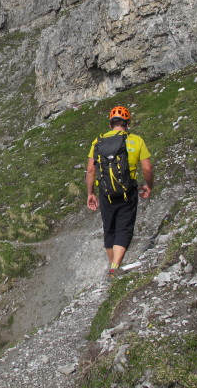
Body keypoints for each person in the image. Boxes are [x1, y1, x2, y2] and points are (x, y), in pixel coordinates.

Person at [86, 106, 154, 277]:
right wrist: (148, 185)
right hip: (127, 191)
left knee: (109, 229)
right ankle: (115, 267)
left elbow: (91, 171)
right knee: (124, 229)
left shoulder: (98, 141)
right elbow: (147, 168)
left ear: (110, 124)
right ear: (127, 123)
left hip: (105, 191)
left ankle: (112, 267)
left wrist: (90, 193)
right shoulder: (136, 140)